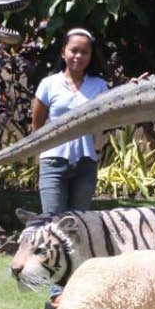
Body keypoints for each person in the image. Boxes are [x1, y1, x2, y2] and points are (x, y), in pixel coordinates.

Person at [32, 27, 109, 216]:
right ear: (63, 52)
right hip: (53, 161)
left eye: (84, 52)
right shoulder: (49, 84)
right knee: (51, 221)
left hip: (85, 163)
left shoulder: (99, 85)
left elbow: (112, 113)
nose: (78, 56)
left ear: (90, 56)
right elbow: (37, 124)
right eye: (74, 50)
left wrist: (134, 88)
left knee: (79, 223)